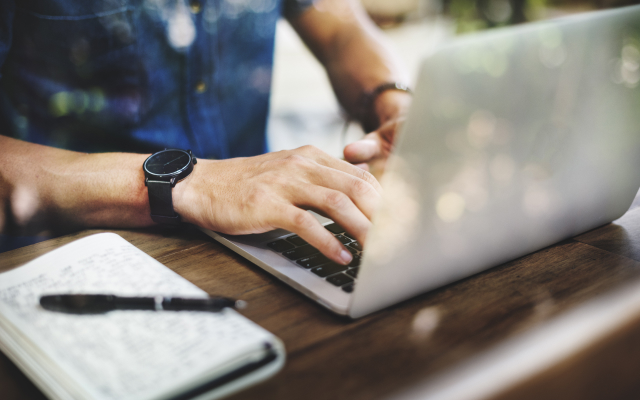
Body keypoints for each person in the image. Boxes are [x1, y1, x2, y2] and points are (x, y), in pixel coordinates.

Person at [0, 0, 411, 265]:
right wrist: (190, 184)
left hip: (260, 239)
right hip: (66, 259)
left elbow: (341, 26)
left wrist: (393, 102)